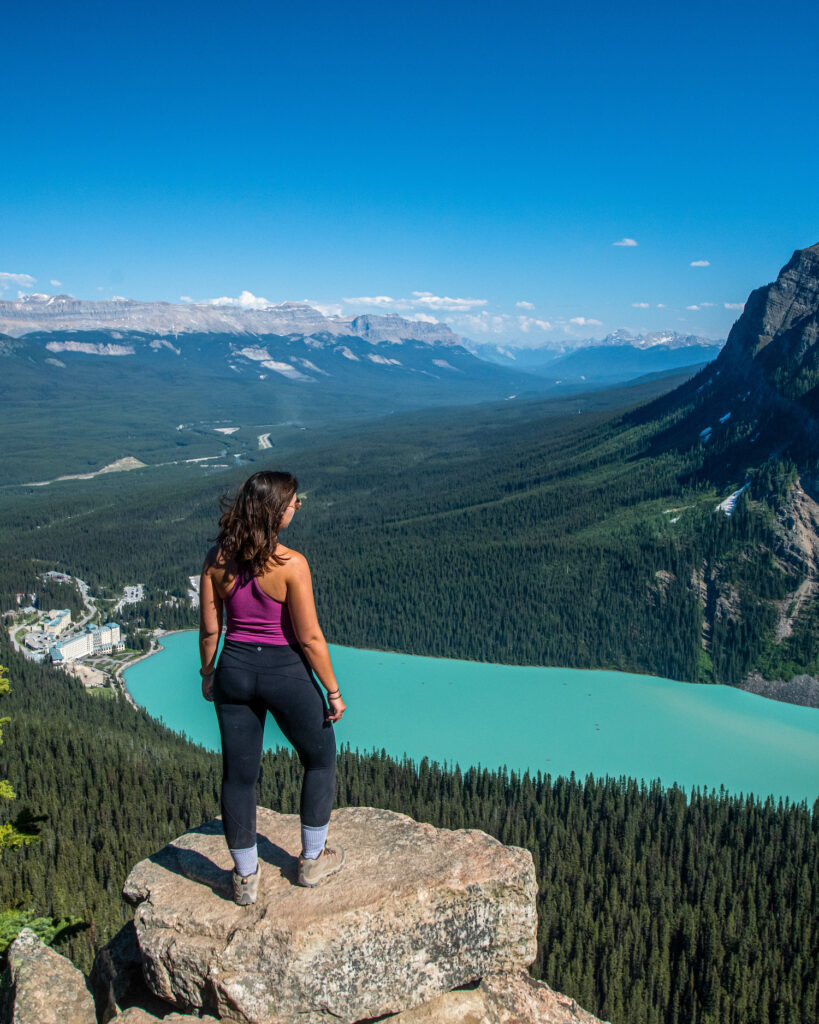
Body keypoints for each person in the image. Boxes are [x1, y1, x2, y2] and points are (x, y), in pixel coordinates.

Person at [199, 470, 346, 905]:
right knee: (319, 758)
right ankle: (312, 860)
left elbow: (211, 631)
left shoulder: (215, 560)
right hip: (286, 674)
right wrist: (333, 692)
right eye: (292, 502)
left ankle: (245, 879)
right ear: (273, 512)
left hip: (235, 673)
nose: (298, 506)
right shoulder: (291, 564)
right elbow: (310, 638)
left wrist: (209, 674)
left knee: (239, 777)